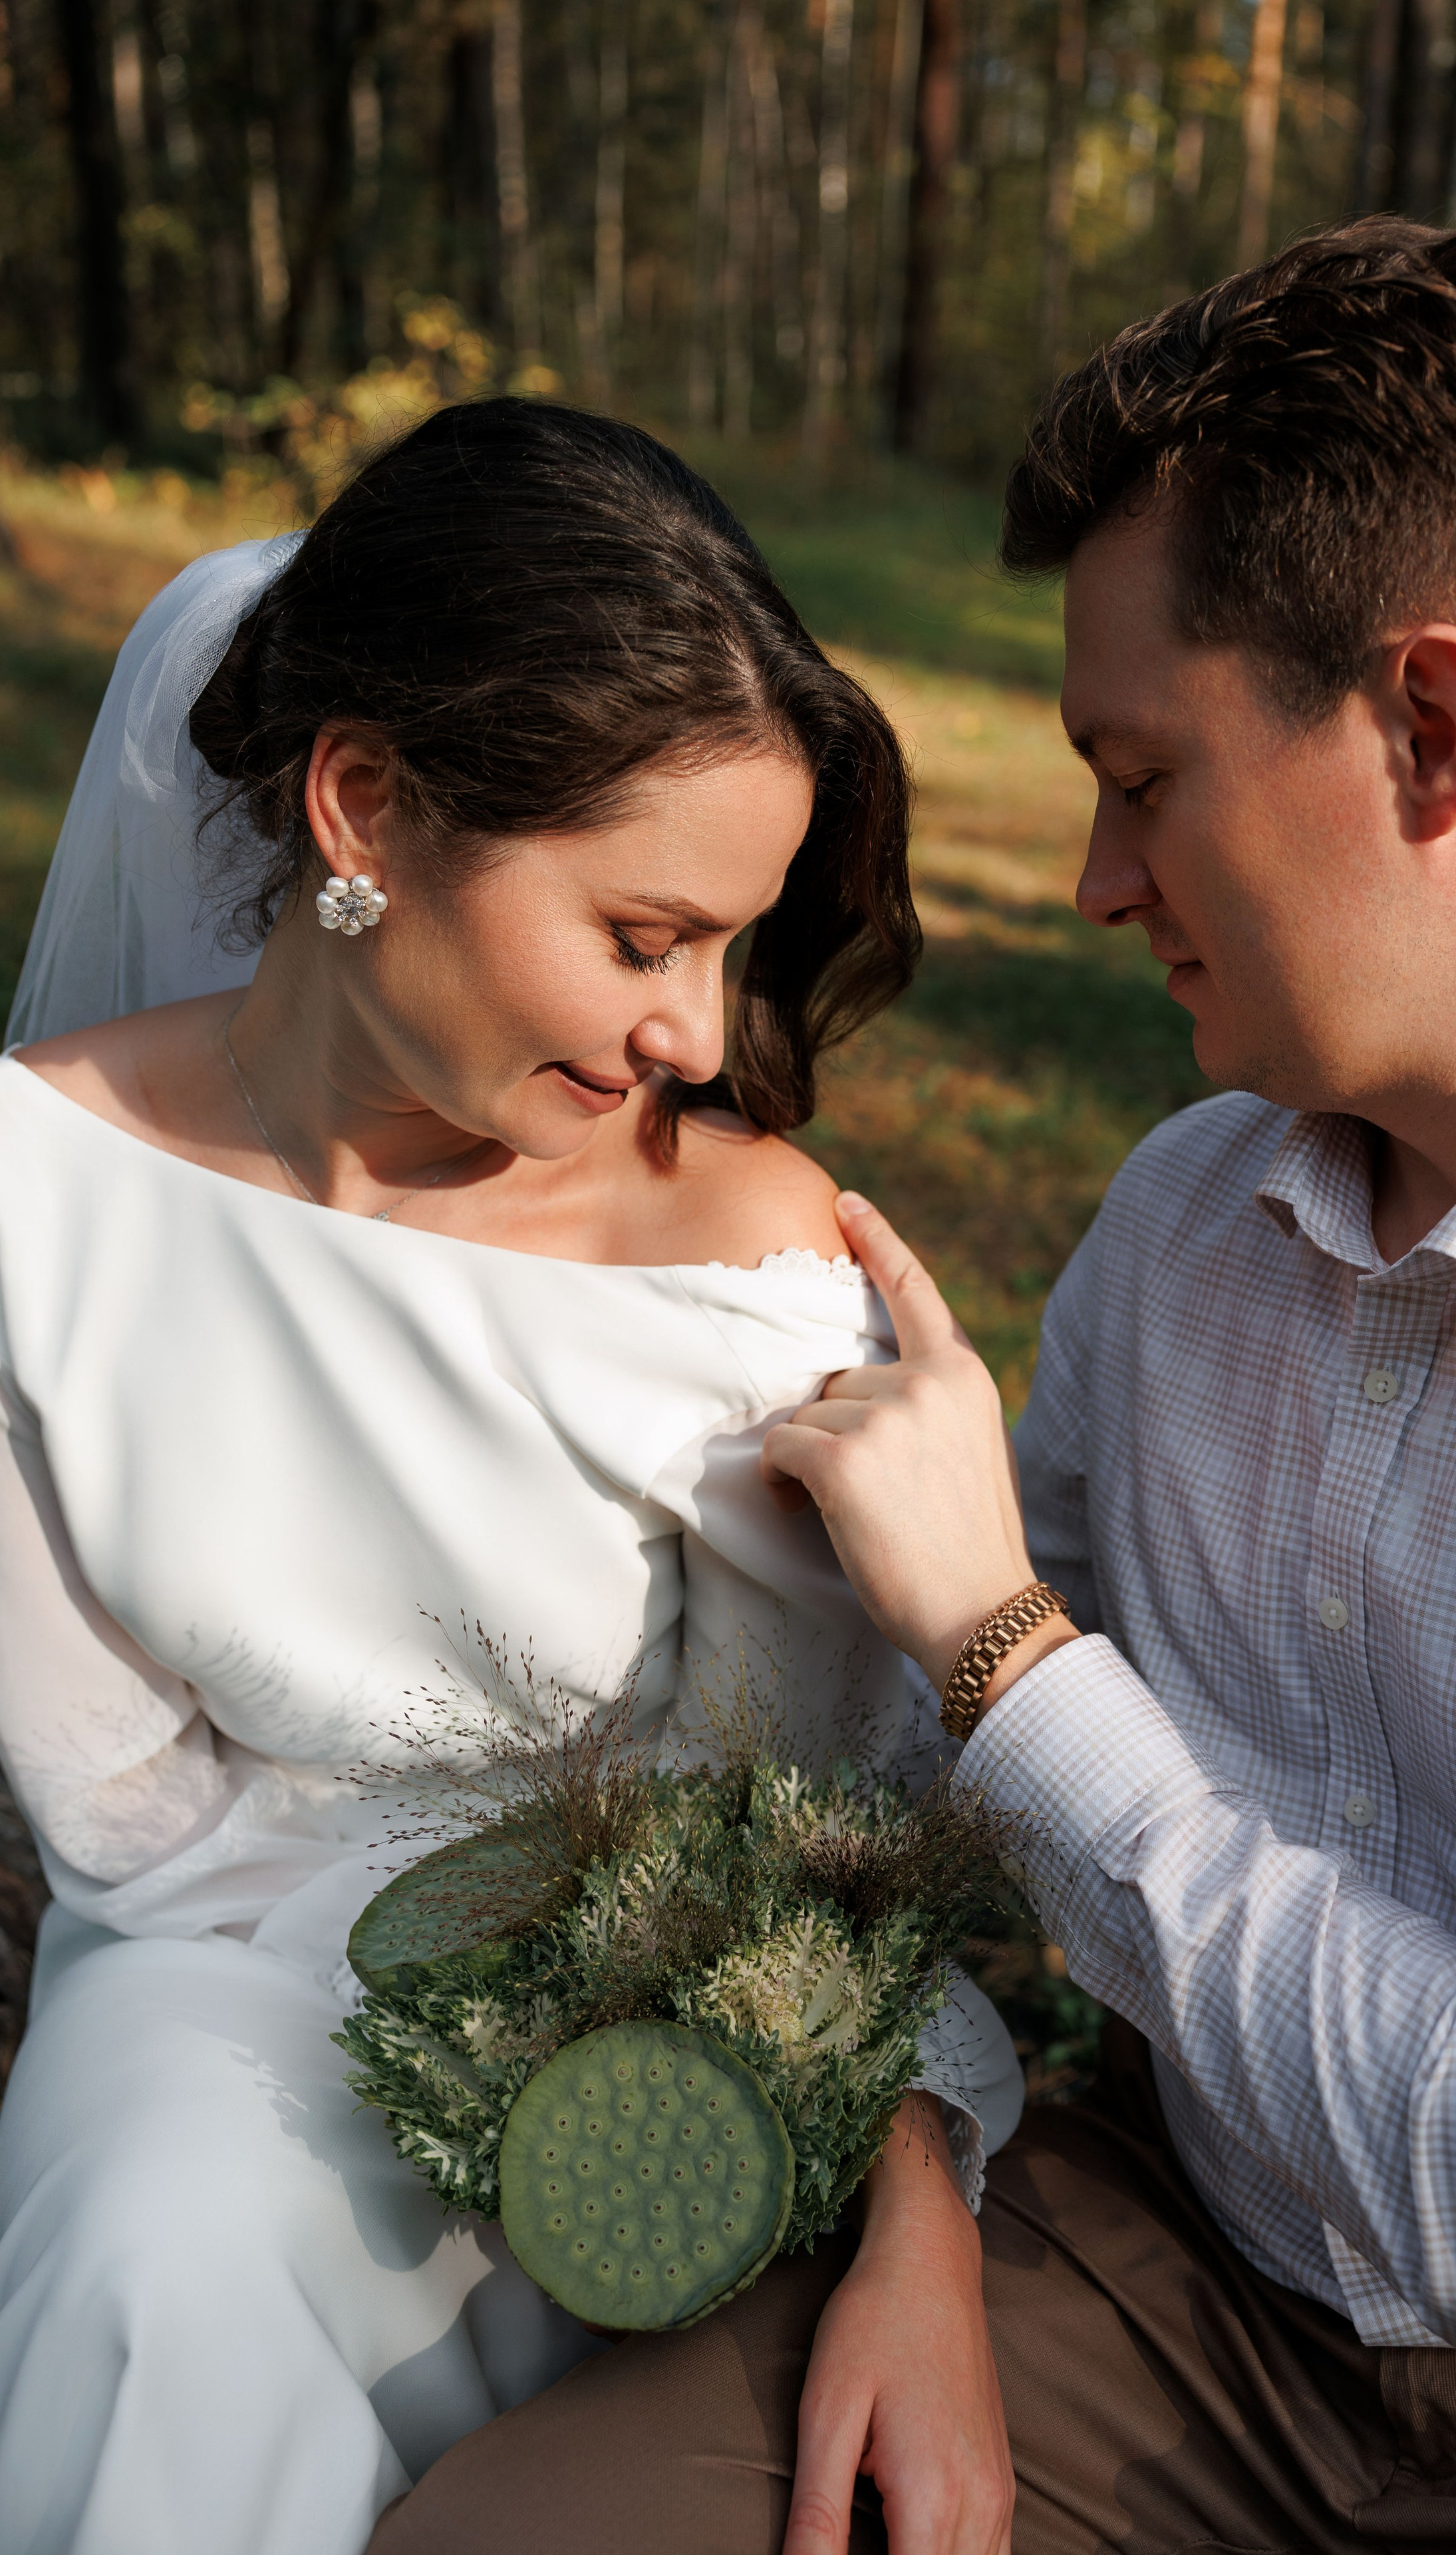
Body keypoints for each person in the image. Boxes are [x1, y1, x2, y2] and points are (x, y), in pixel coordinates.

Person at [385, 222, 1456, 2552]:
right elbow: (897, 1812)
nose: (1094, 877)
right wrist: (913, 2204)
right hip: (1174, 2270)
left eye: (1140, 775)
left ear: (1431, 726)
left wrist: (1014, 1657)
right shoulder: (1194, 1214)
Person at [0, 399, 1024, 2555]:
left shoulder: (744, 1269)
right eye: (646, 936)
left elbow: (824, 1828)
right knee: (153, 2259)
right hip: (209, 1986)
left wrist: (894, 2213)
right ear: (363, 801)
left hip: (675, 2035)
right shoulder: (39, 1203)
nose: (694, 1029)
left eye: (734, 947)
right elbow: (130, 1822)